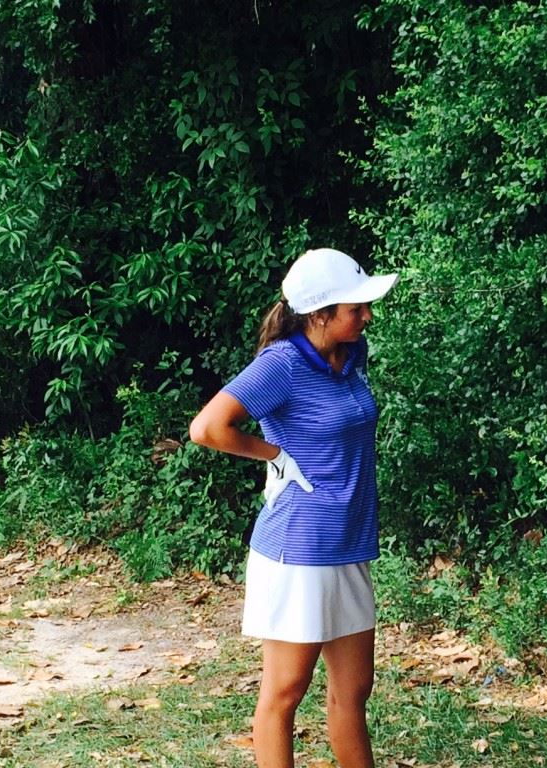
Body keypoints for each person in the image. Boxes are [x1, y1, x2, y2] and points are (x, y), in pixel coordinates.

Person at [189, 247, 398, 768]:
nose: (367, 316)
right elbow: (208, 428)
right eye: (356, 308)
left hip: (349, 543)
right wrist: (276, 453)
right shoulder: (281, 364)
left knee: (353, 691)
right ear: (320, 314)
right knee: (285, 693)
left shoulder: (353, 354)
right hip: (299, 548)